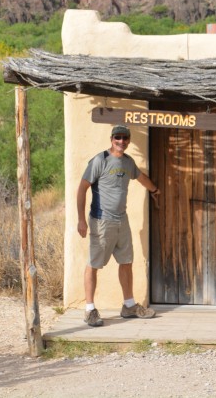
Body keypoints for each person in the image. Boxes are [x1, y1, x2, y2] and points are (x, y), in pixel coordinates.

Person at [76, 124, 161, 327]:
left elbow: (141, 179)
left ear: (129, 141)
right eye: (118, 138)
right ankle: (90, 310)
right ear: (112, 139)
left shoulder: (128, 162)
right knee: (94, 263)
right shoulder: (100, 160)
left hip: (122, 220)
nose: (121, 141)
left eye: (124, 138)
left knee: (126, 261)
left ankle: (129, 305)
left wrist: (155, 191)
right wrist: (81, 220)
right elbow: (81, 189)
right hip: (102, 220)